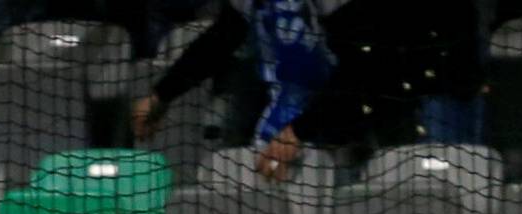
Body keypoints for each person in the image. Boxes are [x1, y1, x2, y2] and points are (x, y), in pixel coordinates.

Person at [133, 0, 487, 182]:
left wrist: (299, 131)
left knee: (426, 200)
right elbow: (224, 35)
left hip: (416, 87)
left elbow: (364, 68)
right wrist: (163, 94)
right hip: (318, 105)